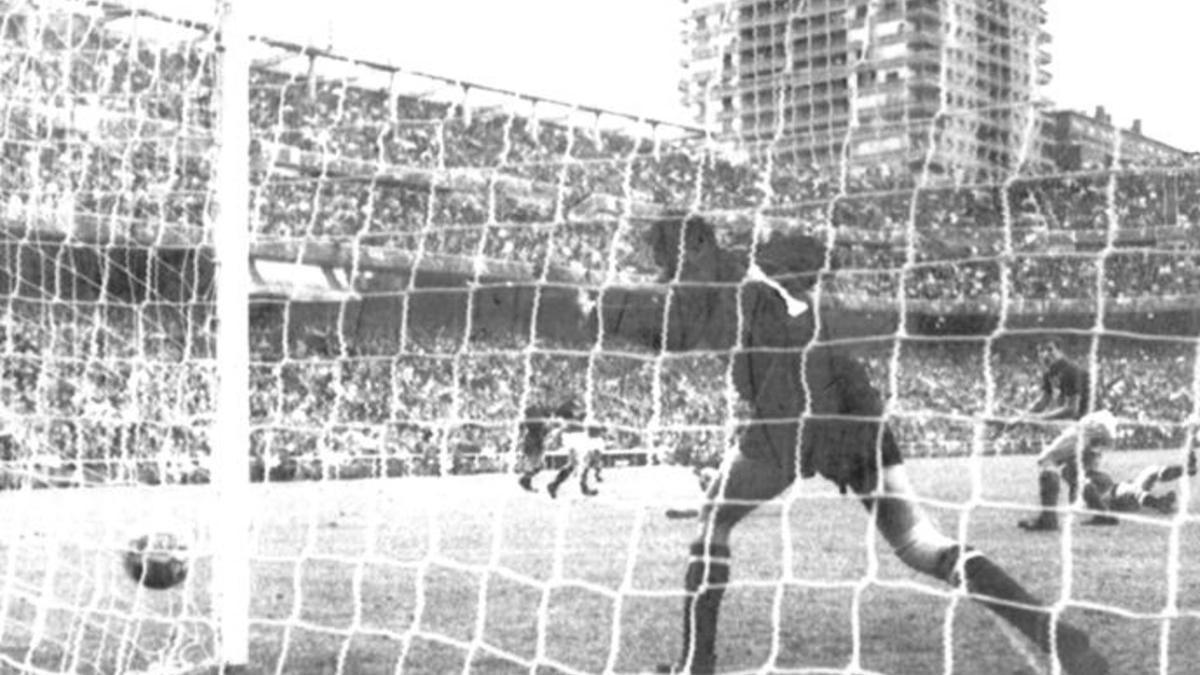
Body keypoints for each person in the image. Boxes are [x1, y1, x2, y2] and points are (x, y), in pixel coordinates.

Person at [592, 216, 1108, 675]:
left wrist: (602, 314)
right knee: (918, 543)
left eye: (672, 267)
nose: (673, 281)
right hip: (853, 403)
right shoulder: (758, 271)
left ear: (696, 249)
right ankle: (1063, 640)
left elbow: (681, 332)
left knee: (714, 522)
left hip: (794, 408)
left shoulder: (732, 289)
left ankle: (697, 664)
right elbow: (809, 260)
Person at [1016, 341, 1104, 532]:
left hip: (1094, 422)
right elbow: (1043, 400)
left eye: (1050, 349)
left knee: (1046, 460)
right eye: (1041, 350)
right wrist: (1023, 416)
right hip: (1095, 423)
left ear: (1060, 351)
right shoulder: (1049, 374)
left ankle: (1048, 520)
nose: (1046, 354)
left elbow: (1071, 409)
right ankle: (1104, 514)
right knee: (1070, 472)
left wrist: (1038, 418)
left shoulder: (1070, 370)